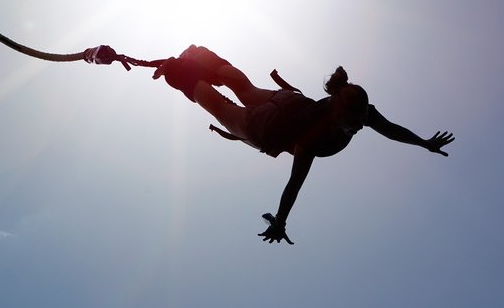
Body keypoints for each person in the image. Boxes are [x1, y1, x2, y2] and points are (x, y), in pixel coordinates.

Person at [154, 45, 454, 245]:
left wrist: (424, 142)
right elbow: (294, 184)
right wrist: (281, 221)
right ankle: (180, 72)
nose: (359, 127)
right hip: (268, 129)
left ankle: (202, 58)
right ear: (339, 112)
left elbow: (391, 130)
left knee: (245, 89)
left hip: (287, 102)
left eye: (360, 122)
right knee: (222, 109)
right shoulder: (317, 137)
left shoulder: (360, 110)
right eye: (354, 123)